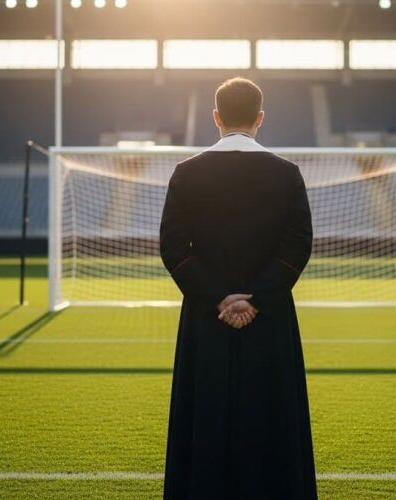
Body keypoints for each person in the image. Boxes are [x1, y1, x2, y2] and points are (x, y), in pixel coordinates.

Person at [160, 77, 317, 499]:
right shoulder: (287, 174)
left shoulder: (186, 173)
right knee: (271, 414)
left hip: (205, 320)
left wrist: (218, 299)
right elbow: (298, 246)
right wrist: (257, 299)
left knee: (205, 412)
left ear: (216, 117)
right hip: (270, 319)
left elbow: (173, 249)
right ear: (260, 119)